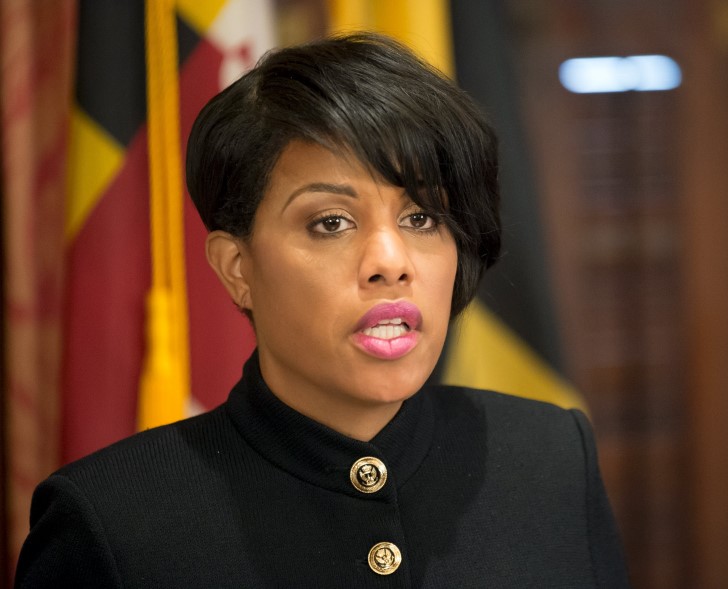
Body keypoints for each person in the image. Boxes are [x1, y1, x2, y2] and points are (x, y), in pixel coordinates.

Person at [15, 33, 629, 588]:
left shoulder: (550, 457)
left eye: (422, 218)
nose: (390, 262)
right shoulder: (112, 521)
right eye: (330, 222)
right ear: (237, 268)